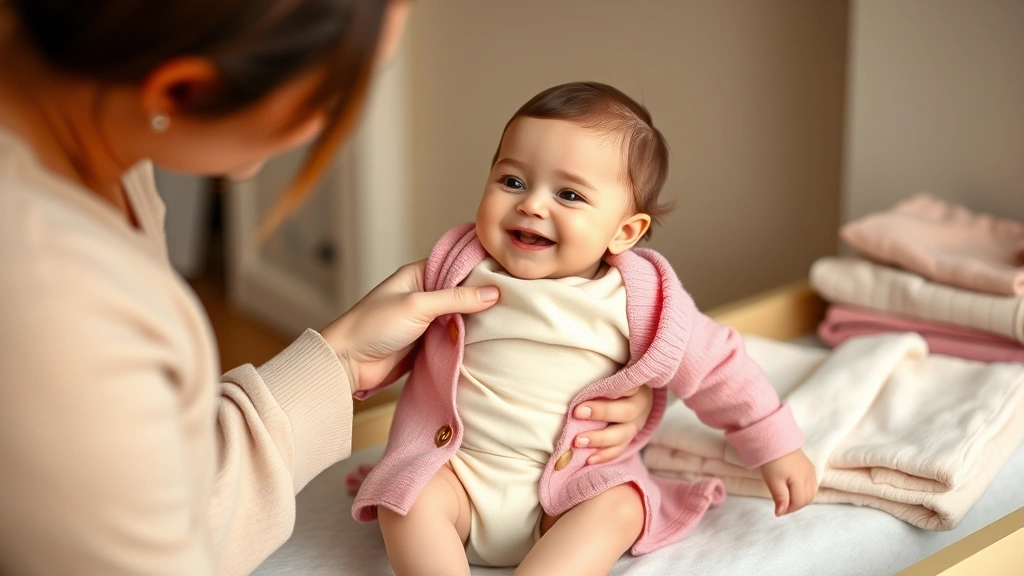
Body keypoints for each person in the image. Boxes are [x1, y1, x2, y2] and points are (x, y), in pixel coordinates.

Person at [0, 3, 655, 575]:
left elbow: (694, 356)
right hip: (459, 480)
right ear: (181, 91)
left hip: (559, 478)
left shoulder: (101, 166)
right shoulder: (51, 297)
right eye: (332, 98)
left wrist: (640, 391)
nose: (328, 126)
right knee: (408, 499)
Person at [351, 82, 818, 576]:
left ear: (625, 232)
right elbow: (382, 340)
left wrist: (775, 445)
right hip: (457, 474)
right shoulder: (454, 268)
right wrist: (357, 376)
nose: (532, 205)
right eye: (512, 182)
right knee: (404, 500)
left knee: (619, 505)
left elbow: (718, 364)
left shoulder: (641, 299)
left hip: (572, 488)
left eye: (569, 194)